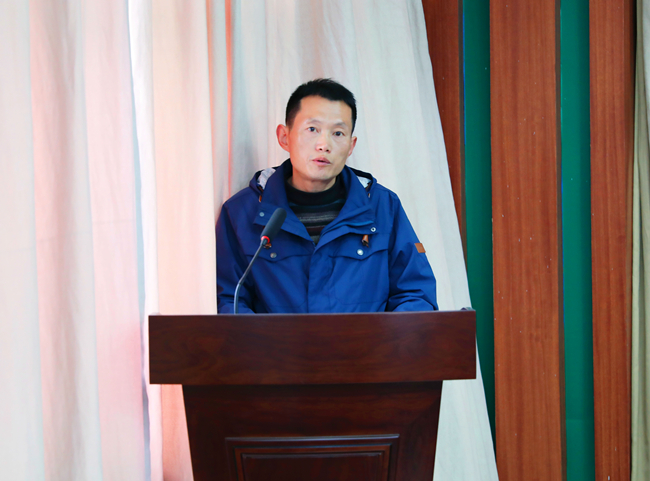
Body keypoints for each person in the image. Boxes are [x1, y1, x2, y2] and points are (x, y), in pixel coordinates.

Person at [215, 78, 437, 313]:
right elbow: (228, 300)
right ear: (284, 137)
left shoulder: (383, 207)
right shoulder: (242, 212)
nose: (324, 144)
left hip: (368, 340)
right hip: (273, 340)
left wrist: (379, 338)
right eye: (312, 129)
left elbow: (415, 294)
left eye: (338, 133)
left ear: (351, 146)